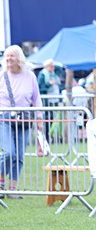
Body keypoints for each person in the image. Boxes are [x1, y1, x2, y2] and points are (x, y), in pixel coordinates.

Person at [0, 45, 43, 198]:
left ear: (20, 58)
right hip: (4, 118)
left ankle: (12, 189)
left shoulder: (30, 76)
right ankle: (1, 182)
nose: (9, 59)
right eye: (7, 56)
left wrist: (39, 119)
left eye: (12, 56)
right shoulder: (2, 76)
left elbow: (36, 99)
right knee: (8, 151)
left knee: (18, 155)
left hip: (24, 119)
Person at [37, 59, 63, 143]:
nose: (53, 67)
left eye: (53, 66)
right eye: (51, 66)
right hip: (46, 100)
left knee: (52, 118)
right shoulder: (42, 74)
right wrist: (49, 84)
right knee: (47, 118)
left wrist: (53, 62)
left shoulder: (54, 74)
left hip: (54, 100)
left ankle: (49, 136)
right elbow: (40, 87)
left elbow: (60, 68)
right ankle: (45, 136)